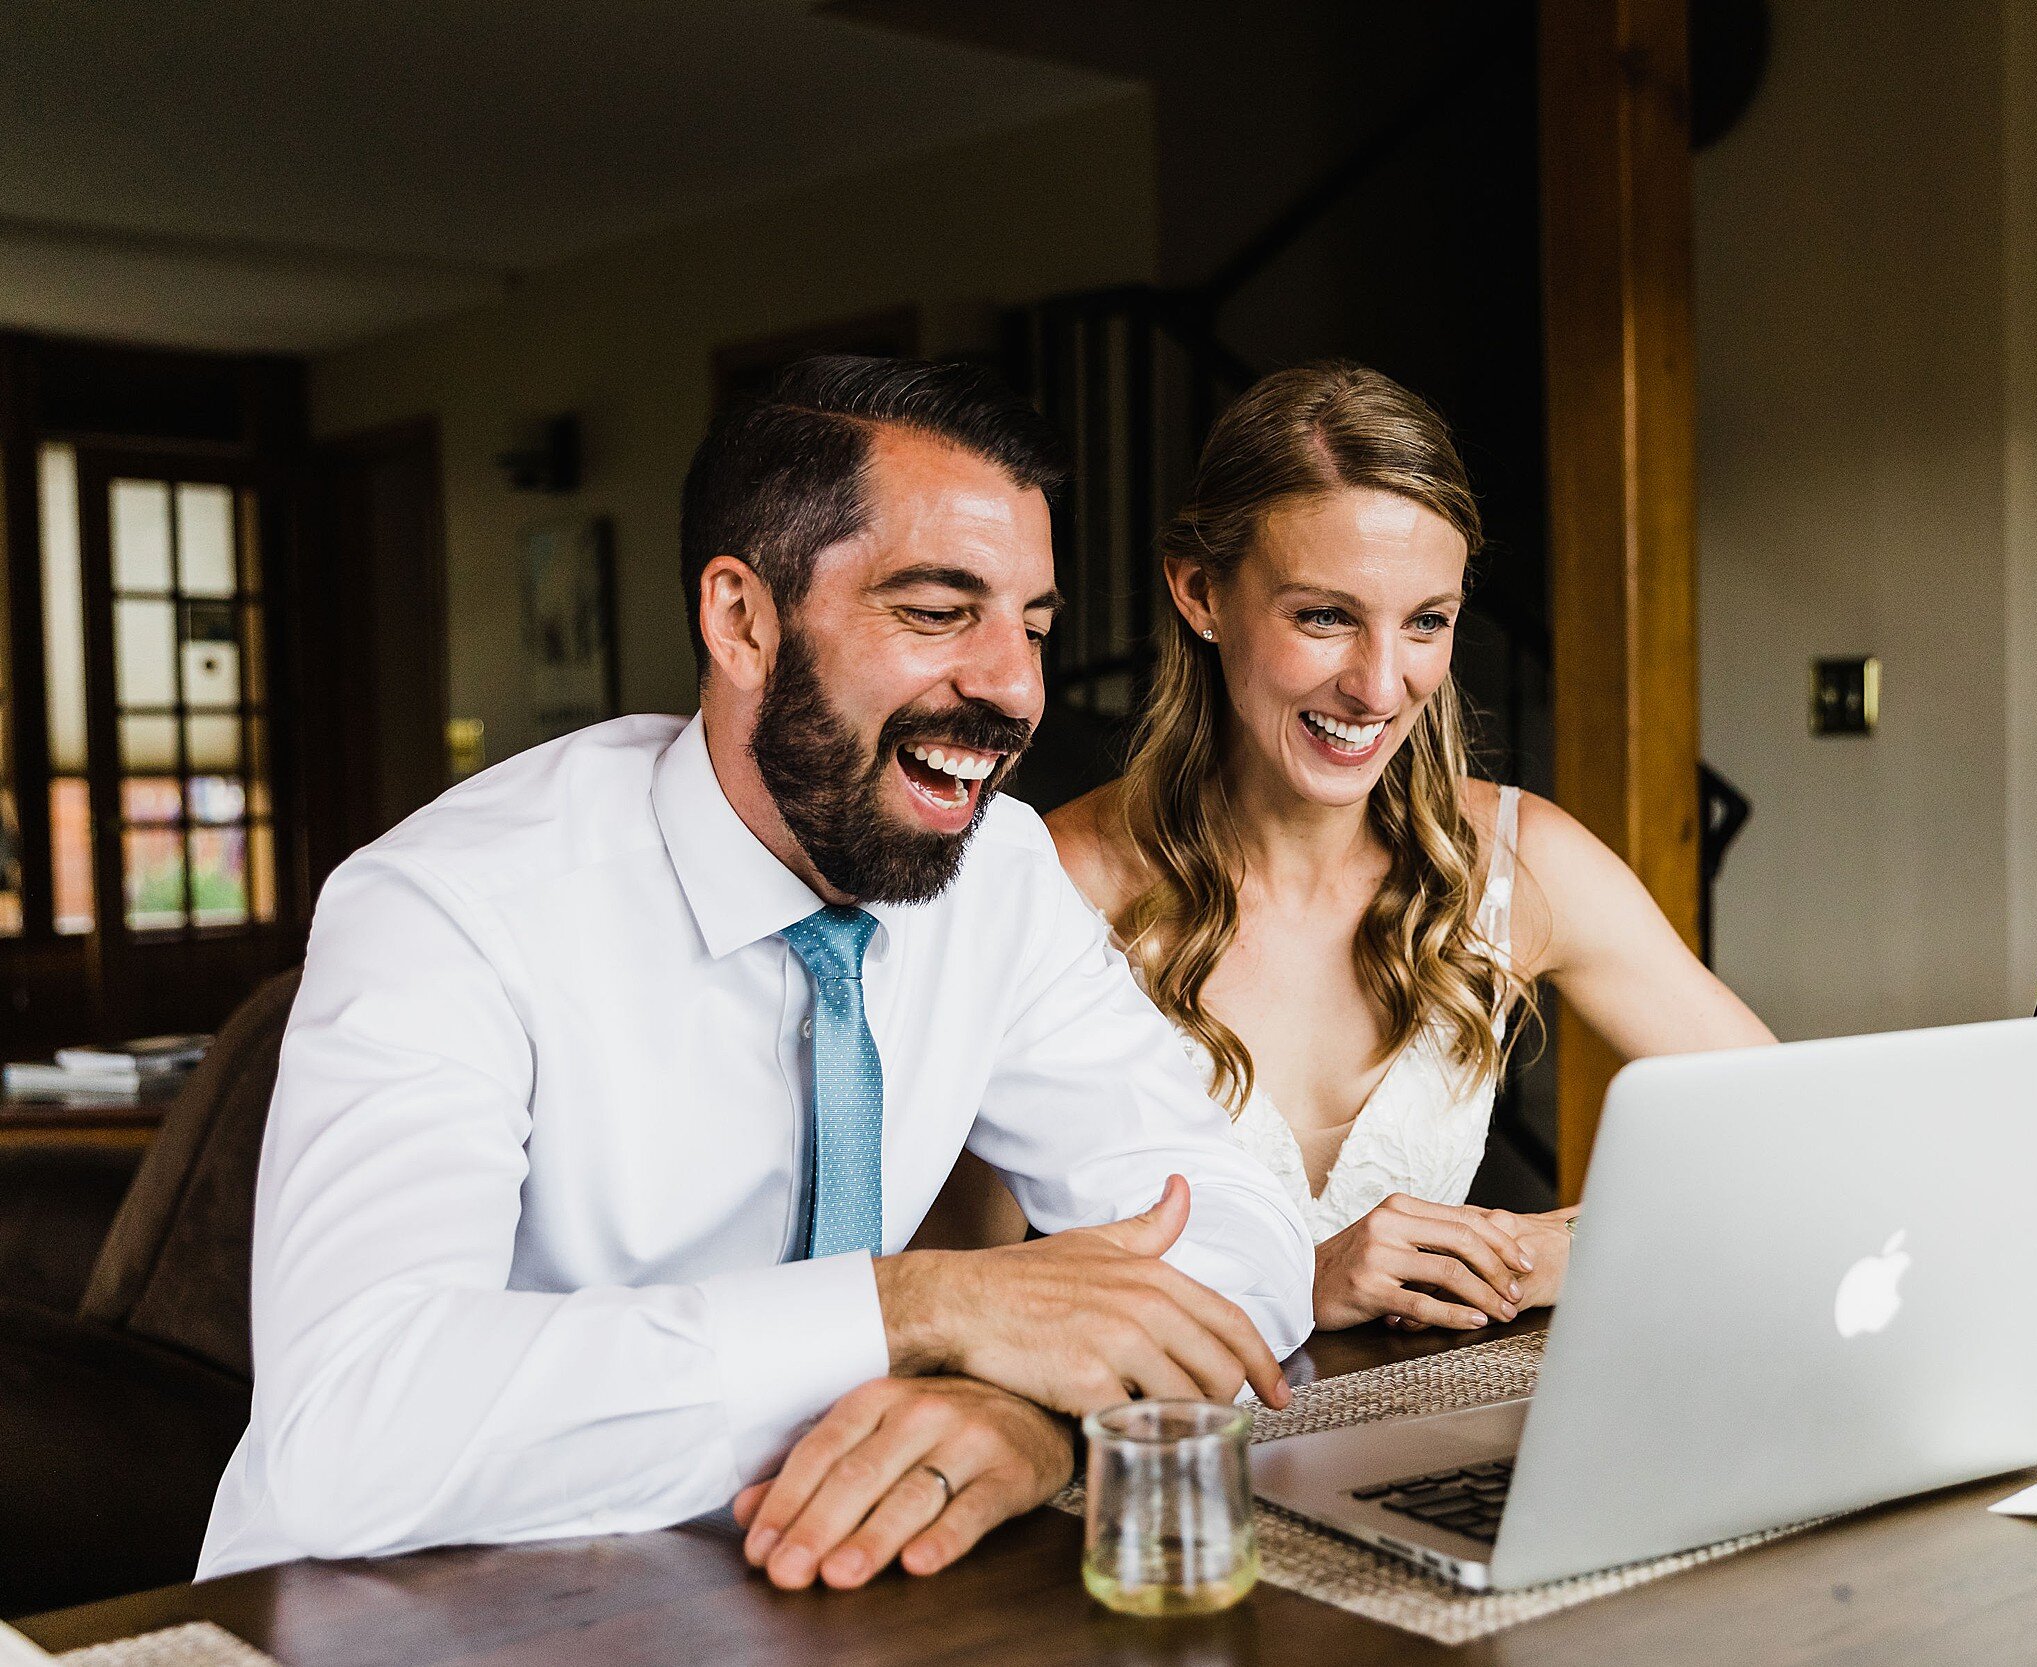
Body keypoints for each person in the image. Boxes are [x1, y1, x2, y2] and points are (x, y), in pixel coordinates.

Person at [199, 357, 1313, 1593]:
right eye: (938, 612)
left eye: (1033, 627)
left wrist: (1028, 1414)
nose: (1014, 688)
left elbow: (1232, 1213)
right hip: (402, 1607)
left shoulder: (996, 873)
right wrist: (911, 1311)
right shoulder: (448, 908)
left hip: (796, 1599)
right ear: (741, 620)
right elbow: (350, 1430)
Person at [1048, 362, 1773, 1334]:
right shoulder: (1054, 885)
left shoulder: (1521, 860)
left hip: (1413, 1451)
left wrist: (1559, 1248)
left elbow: (1794, 1136)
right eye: (1325, 616)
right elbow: (954, 1282)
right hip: (1159, 1467)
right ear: (1200, 592)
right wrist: (1293, 1287)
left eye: (1425, 621)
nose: (1380, 686)